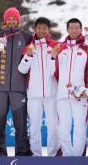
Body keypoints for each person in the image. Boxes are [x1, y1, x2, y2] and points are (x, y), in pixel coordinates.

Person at [0, 7, 33, 156]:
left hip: (18, 88)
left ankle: (23, 153)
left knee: (20, 125)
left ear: (18, 20)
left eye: (14, 19)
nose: (11, 21)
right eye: (9, 19)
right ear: (5, 21)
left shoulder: (26, 37)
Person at [18, 17, 61, 156]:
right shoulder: (29, 47)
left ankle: (52, 155)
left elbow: (59, 69)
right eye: (39, 28)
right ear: (35, 29)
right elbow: (22, 70)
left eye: (44, 28)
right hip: (34, 94)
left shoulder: (54, 46)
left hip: (52, 93)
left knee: (53, 127)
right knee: (34, 127)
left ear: (49, 30)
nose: (41, 31)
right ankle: (36, 155)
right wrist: (28, 56)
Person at [55, 18, 88, 156]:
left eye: (76, 28)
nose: (74, 30)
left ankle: (78, 159)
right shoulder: (60, 48)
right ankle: (67, 157)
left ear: (80, 29)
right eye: (71, 28)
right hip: (62, 95)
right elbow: (54, 72)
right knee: (63, 129)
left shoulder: (87, 49)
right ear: (67, 29)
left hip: (80, 95)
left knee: (79, 129)